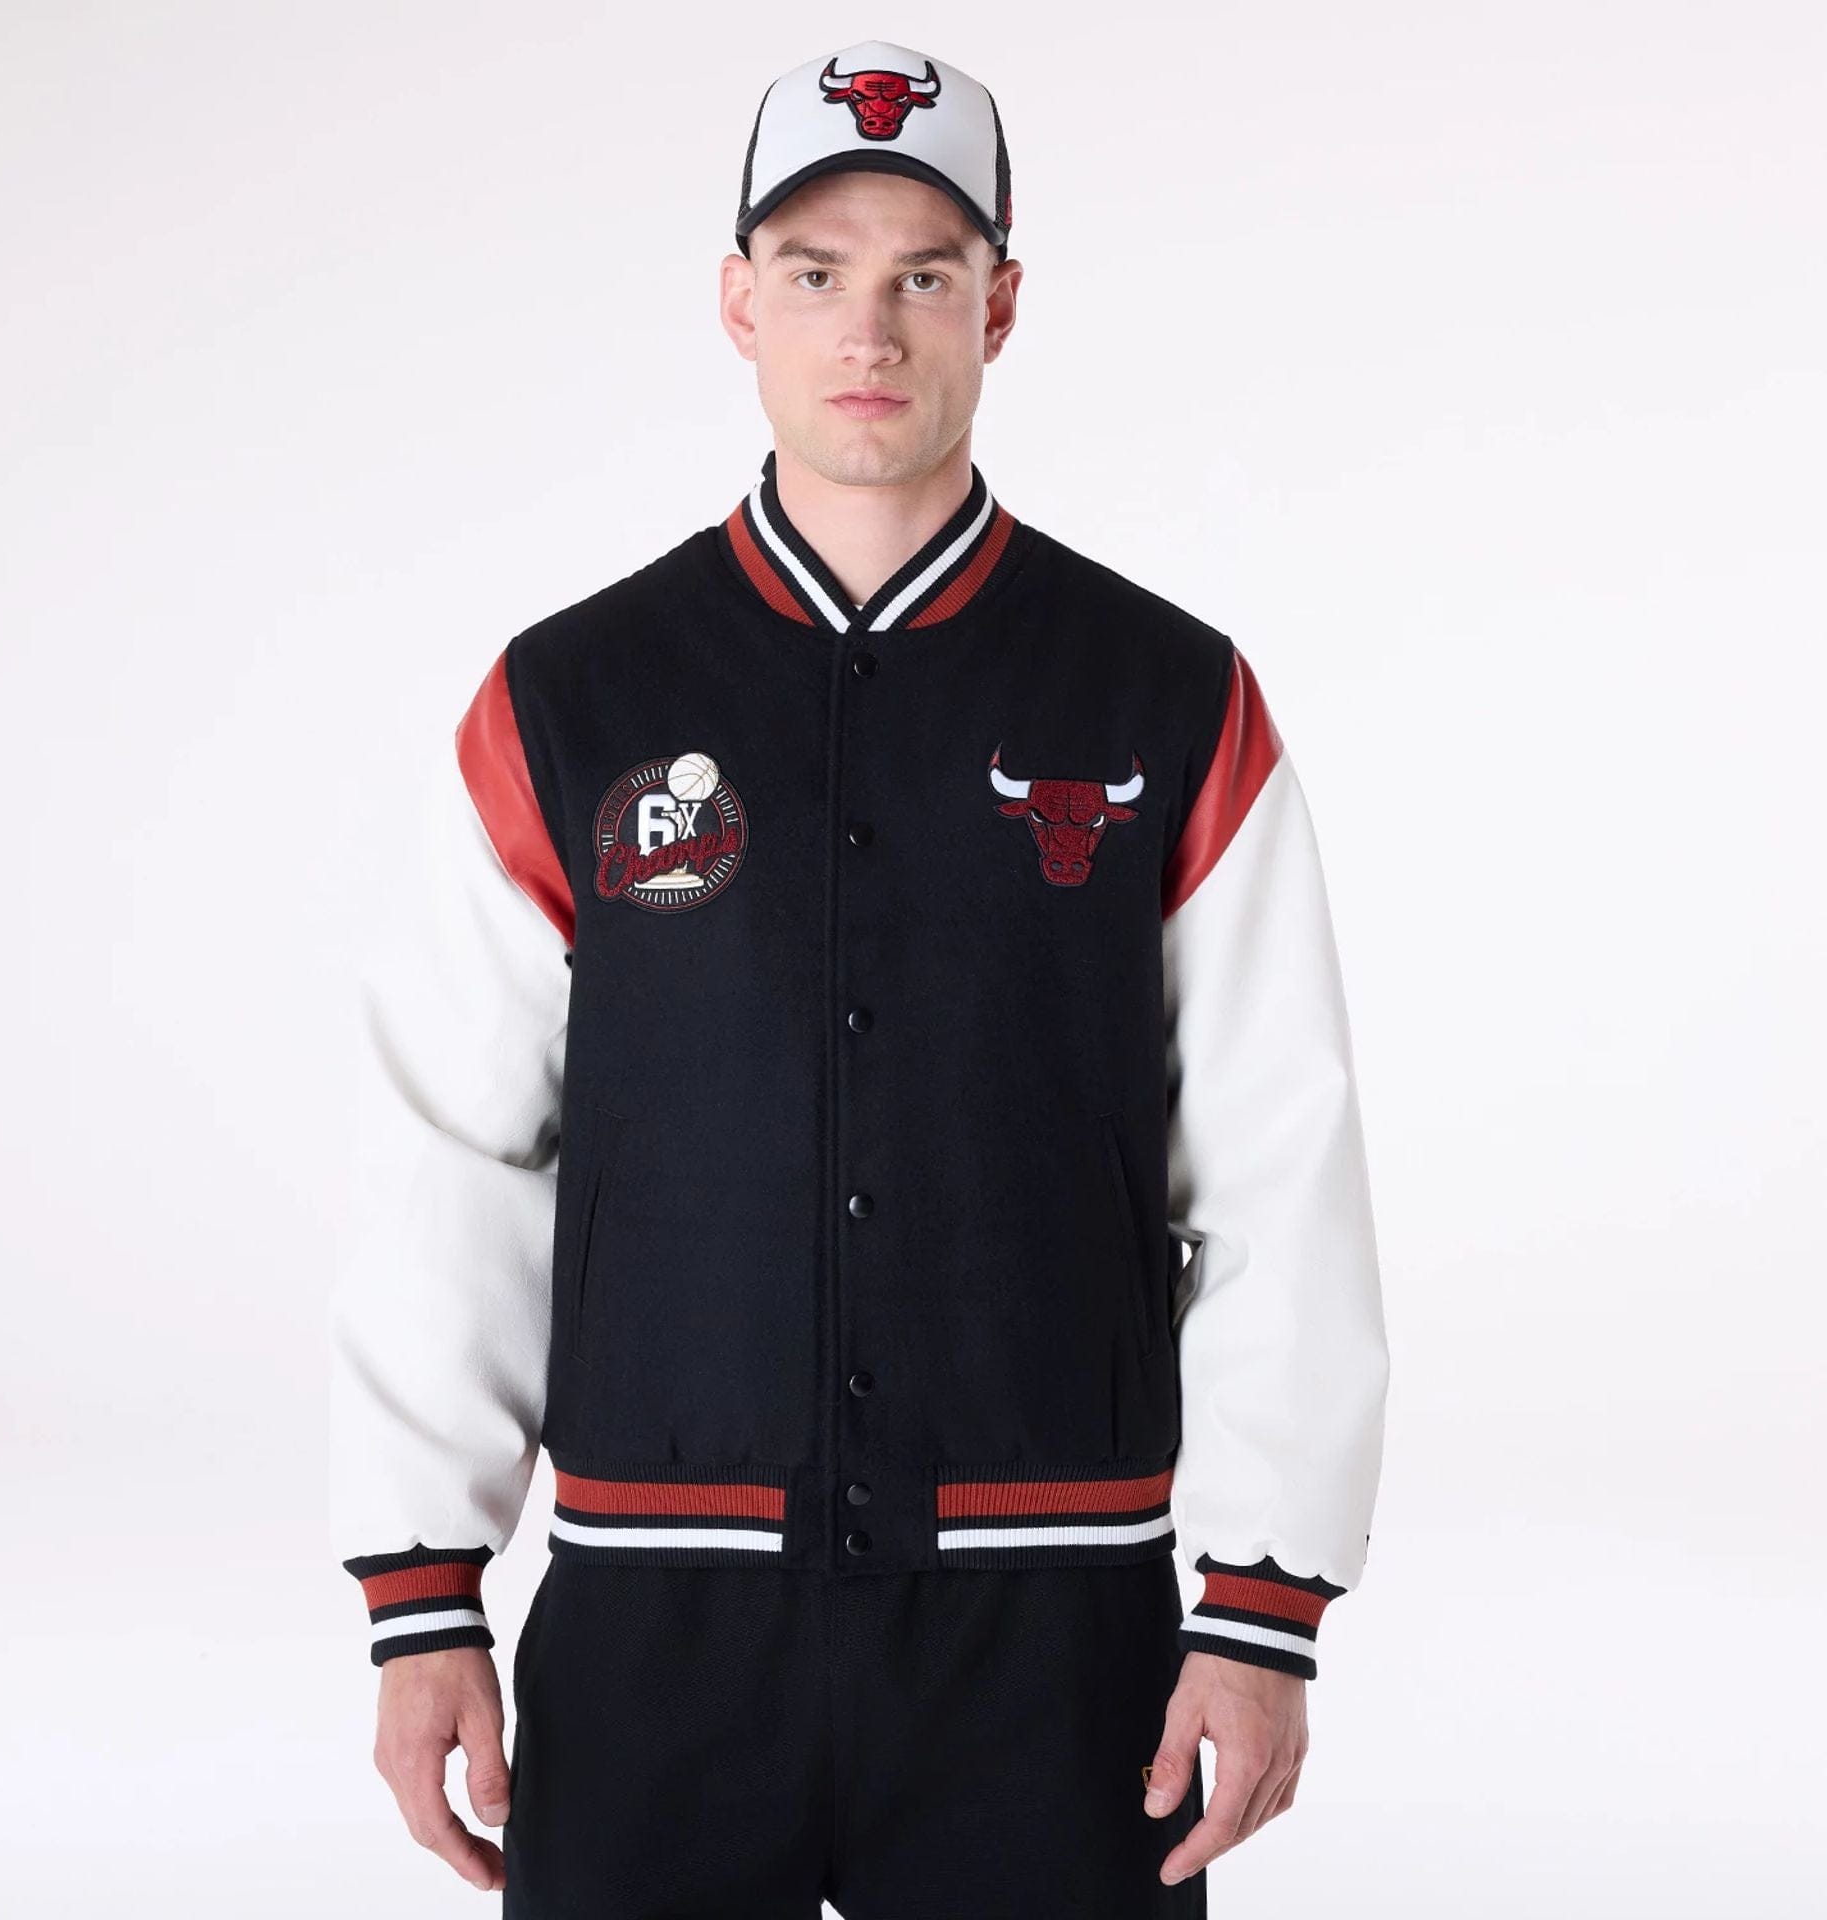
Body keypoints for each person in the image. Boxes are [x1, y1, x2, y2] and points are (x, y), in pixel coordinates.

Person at [327, 37, 1390, 1918]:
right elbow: (453, 1155)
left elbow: (1275, 1156)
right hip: (655, 1635)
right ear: (740, 302)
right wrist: (424, 1596)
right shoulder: (569, 701)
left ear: (1003, 304)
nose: (869, 329)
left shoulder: (1167, 698)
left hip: (1053, 1638)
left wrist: (1262, 1608)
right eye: (816, 272)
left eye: (924, 273)